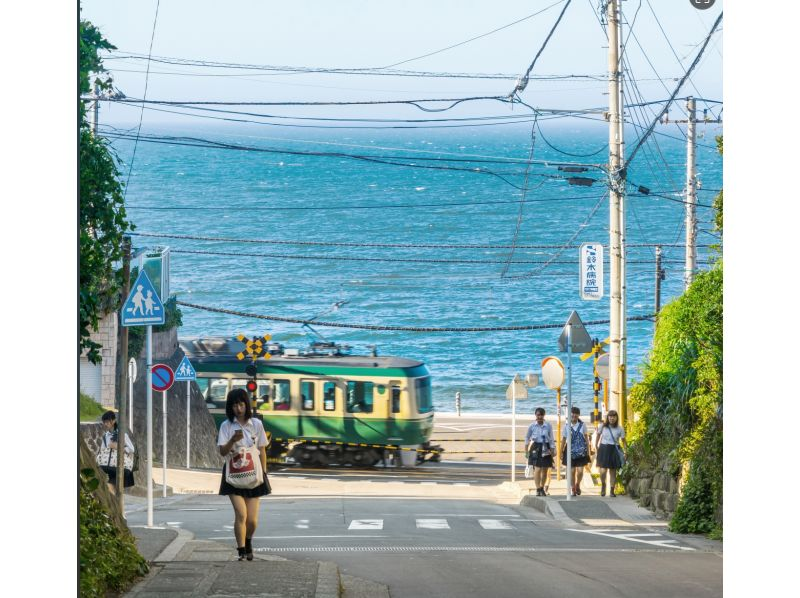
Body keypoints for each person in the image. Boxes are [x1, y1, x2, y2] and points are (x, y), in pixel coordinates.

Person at [218, 388, 272, 561]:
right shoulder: (226, 426)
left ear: (246, 405)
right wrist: (232, 440)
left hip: (254, 475)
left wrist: (263, 473)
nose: (238, 408)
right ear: (230, 407)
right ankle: (241, 550)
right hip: (233, 476)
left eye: (241, 404)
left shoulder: (256, 424)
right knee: (241, 514)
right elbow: (222, 452)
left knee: (252, 520)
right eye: (234, 405)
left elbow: (262, 449)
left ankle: (248, 541)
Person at [98, 410, 135, 494]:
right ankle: (116, 505)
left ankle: (115, 505)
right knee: (112, 490)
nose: (105, 424)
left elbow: (132, 449)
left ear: (113, 421)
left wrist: (119, 447)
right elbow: (102, 451)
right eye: (104, 422)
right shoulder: (105, 436)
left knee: (111, 487)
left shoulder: (122, 435)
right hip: (108, 466)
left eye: (107, 422)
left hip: (120, 467)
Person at [594, 410, 628, 497]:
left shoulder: (620, 428)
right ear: (607, 417)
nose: (612, 418)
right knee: (603, 470)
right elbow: (598, 435)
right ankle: (603, 485)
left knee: (613, 471)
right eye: (610, 416)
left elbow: (624, 441)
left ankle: (612, 490)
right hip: (604, 448)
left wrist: (625, 451)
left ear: (616, 418)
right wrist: (596, 445)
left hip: (614, 449)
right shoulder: (602, 426)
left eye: (614, 416)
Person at [560, 407, 591, 496]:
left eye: (576, 413)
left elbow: (586, 438)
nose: (574, 415)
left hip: (581, 452)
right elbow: (563, 439)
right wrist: (561, 451)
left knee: (580, 471)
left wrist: (588, 451)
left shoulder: (583, 425)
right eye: (572, 413)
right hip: (569, 451)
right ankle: (573, 488)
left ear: (578, 415)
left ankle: (578, 484)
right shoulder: (566, 426)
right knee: (572, 471)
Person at [524, 407, 555, 497]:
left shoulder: (548, 425)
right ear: (535, 415)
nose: (539, 417)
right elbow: (527, 438)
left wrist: (552, 449)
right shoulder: (532, 426)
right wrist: (526, 450)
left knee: (545, 469)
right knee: (537, 469)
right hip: (536, 447)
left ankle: (542, 488)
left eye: (541, 415)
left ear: (544, 415)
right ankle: (538, 489)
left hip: (546, 447)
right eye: (538, 415)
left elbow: (551, 438)